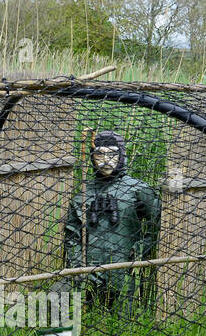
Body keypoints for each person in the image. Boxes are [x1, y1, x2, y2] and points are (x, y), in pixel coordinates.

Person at [62, 130, 162, 315]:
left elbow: (159, 221)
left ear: (121, 155)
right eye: (100, 154)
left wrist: (140, 250)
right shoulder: (84, 193)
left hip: (125, 268)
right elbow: (71, 234)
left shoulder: (137, 189)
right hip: (90, 271)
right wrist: (78, 266)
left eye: (112, 154)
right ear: (92, 157)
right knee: (90, 319)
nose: (106, 160)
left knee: (123, 320)